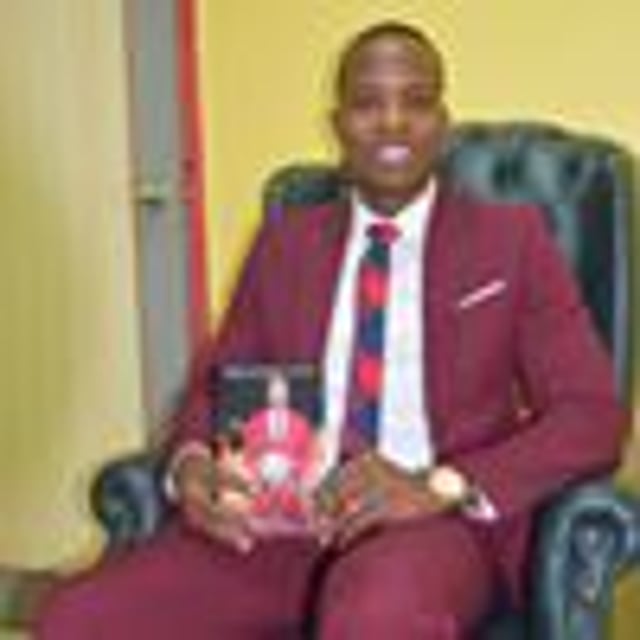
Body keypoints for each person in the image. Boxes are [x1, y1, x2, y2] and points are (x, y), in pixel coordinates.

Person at [36, 20, 626, 639]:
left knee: (377, 611)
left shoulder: (510, 242)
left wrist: (438, 486)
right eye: (368, 103)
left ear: (441, 123)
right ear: (339, 124)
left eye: (416, 102)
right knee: (79, 617)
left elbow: (591, 415)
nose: (393, 122)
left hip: (435, 527)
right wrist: (190, 464)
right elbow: (217, 385)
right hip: (286, 523)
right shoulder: (286, 245)